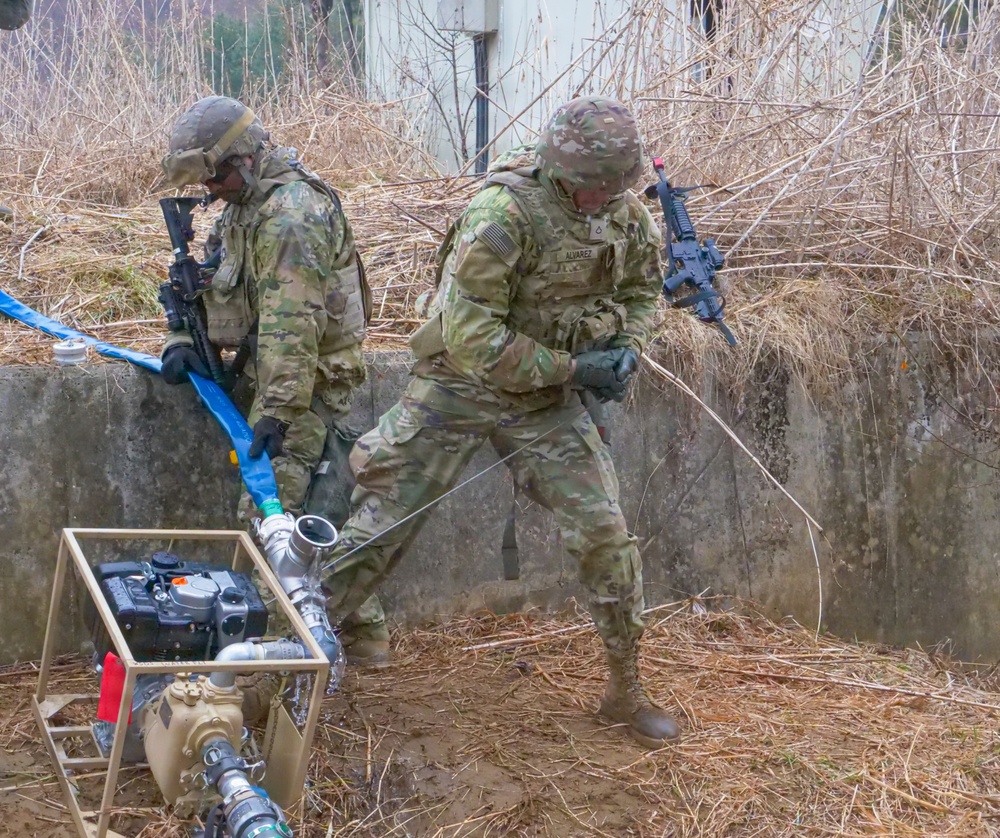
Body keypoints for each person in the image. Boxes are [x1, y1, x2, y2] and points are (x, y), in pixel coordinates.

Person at [320, 96, 681, 746]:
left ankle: (625, 690)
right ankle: (279, 667)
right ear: (562, 172)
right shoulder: (504, 213)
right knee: (380, 527)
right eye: (594, 186)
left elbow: (640, 292)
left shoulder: (624, 215)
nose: (604, 198)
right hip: (457, 386)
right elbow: (471, 338)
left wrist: (627, 347)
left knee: (605, 535)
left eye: (614, 186)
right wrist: (577, 369)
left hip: (545, 400)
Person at [159, 95, 389, 665]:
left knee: (269, 514)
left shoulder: (291, 215)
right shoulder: (244, 208)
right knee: (318, 512)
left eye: (216, 175)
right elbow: (209, 284)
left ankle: (272, 663)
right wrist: (181, 339)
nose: (211, 189)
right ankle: (367, 635)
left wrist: (278, 413)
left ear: (244, 158)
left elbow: (293, 324)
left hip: (306, 384)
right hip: (271, 375)